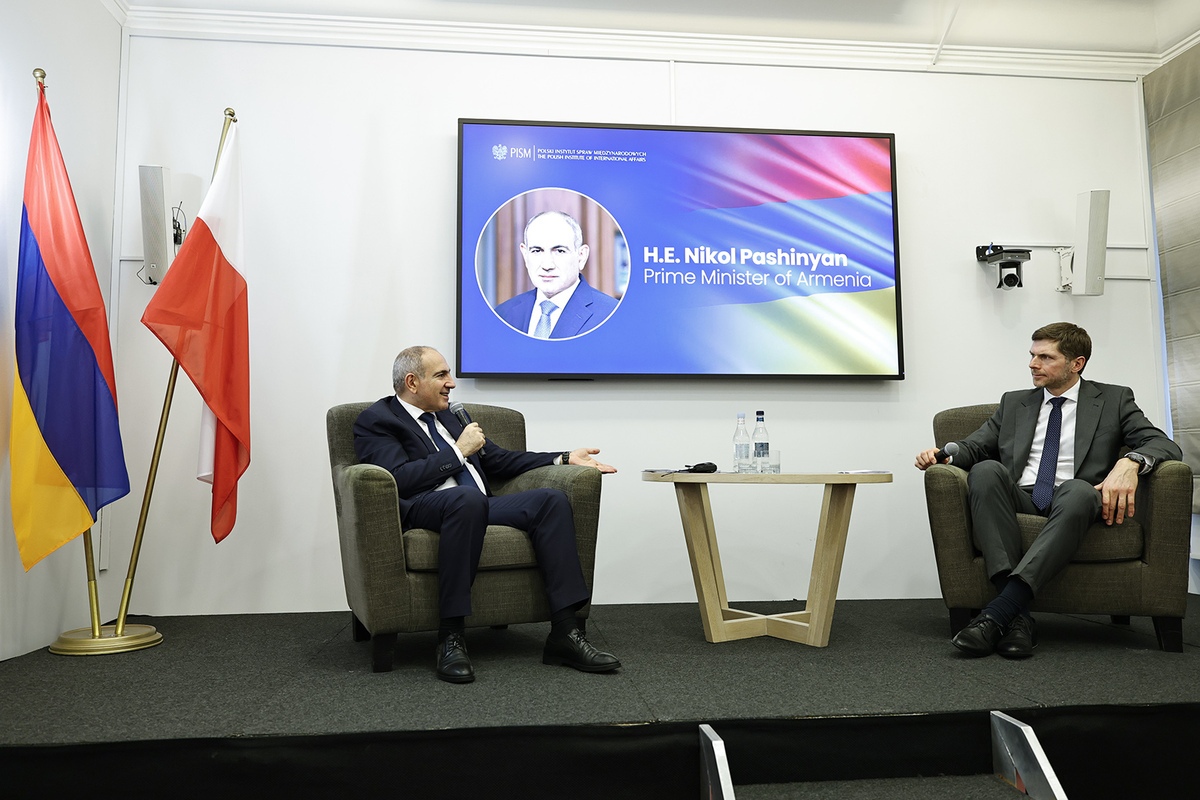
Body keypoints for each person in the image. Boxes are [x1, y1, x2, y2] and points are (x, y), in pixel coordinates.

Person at [353, 346, 621, 683]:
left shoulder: (450, 416)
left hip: (476, 505)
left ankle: (565, 634)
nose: (452, 383)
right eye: (441, 375)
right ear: (412, 382)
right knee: (466, 499)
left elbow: (498, 459)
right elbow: (398, 479)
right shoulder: (378, 420)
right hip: (424, 506)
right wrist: (457, 451)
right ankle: (450, 636)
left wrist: (564, 458)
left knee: (550, 501)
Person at [914, 322, 1181, 659]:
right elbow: (976, 446)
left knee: (1079, 490)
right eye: (1032, 355)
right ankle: (1015, 614)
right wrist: (945, 454)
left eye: (1045, 357)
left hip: (1075, 501)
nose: (1033, 364)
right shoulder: (1014, 403)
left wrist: (1130, 462)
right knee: (984, 471)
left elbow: (1162, 444)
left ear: (1076, 363)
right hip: (1022, 497)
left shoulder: (1114, 399)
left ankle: (998, 615)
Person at [494, 210, 619, 338]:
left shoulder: (613, 316)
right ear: (525, 255)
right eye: (537, 251)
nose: (547, 265)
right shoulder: (502, 314)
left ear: (581, 256)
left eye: (559, 251)